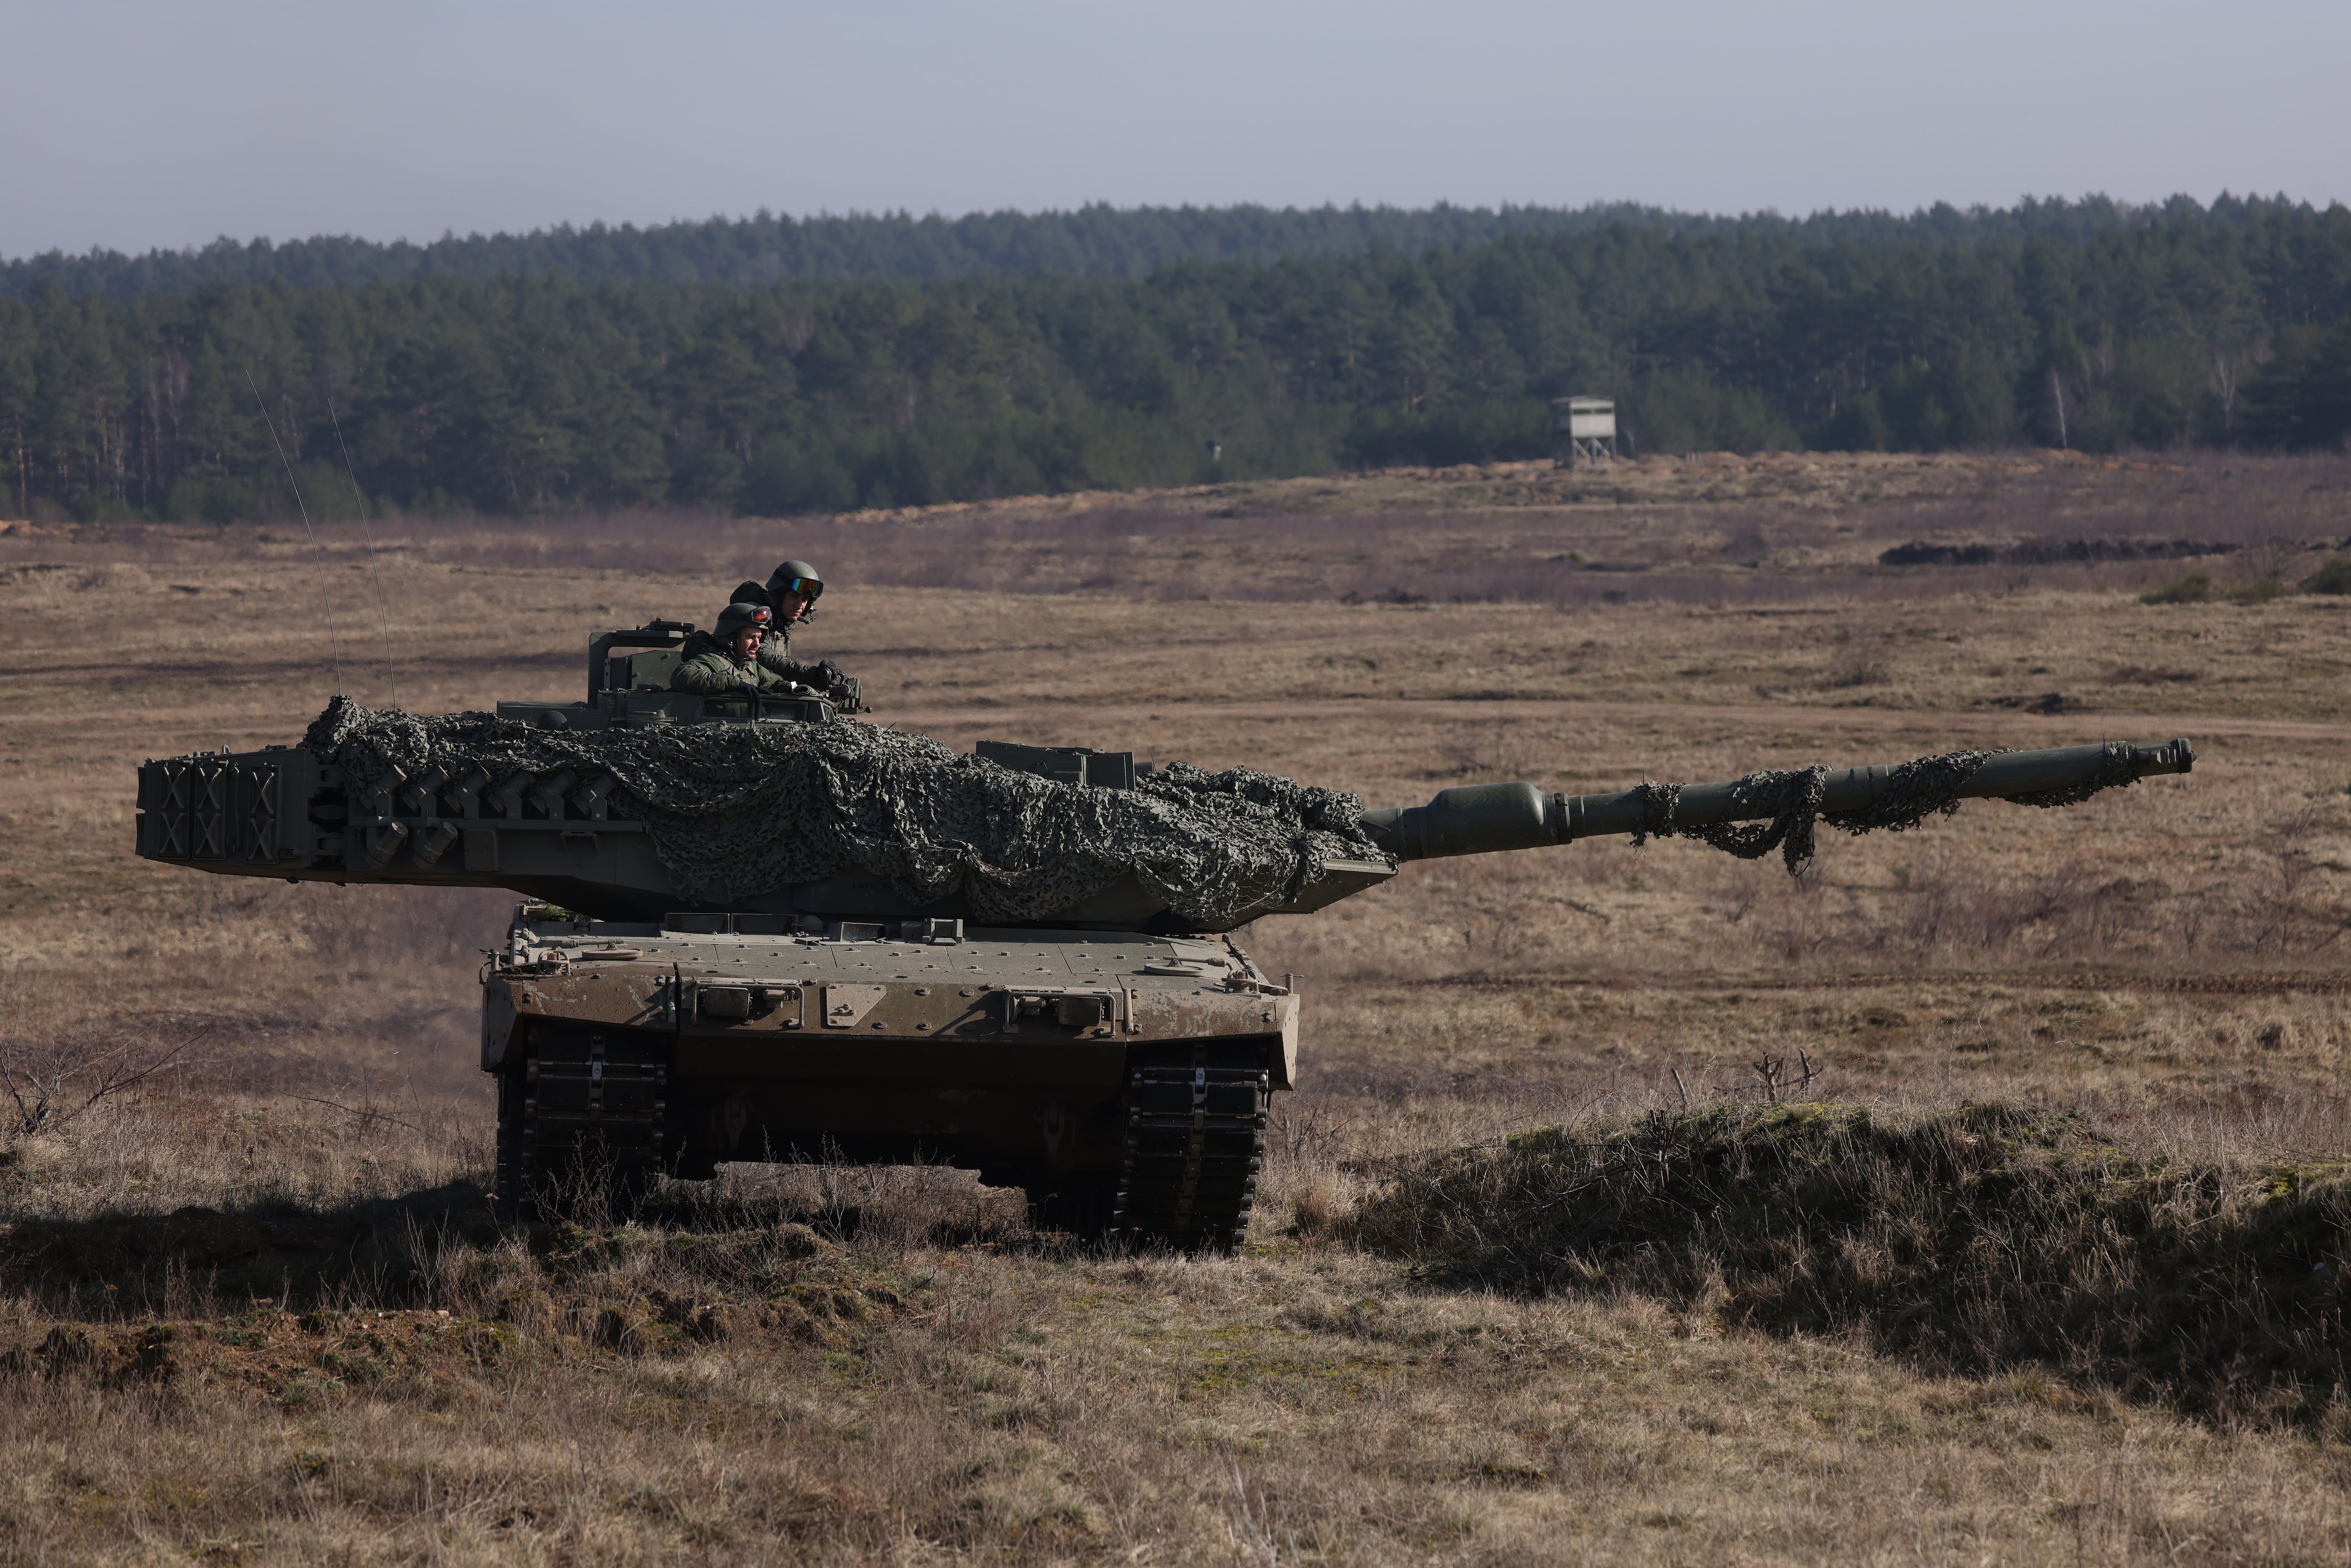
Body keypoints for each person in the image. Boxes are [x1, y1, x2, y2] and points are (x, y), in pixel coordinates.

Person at [671, 603, 796, 695]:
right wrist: (735, 684)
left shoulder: (751, 667)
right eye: (751, 637)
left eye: (759, 638)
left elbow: (775, 682)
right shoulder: (712, 662)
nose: (757, 644)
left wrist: (794, 688)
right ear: (731, 637)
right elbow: (683, 675)